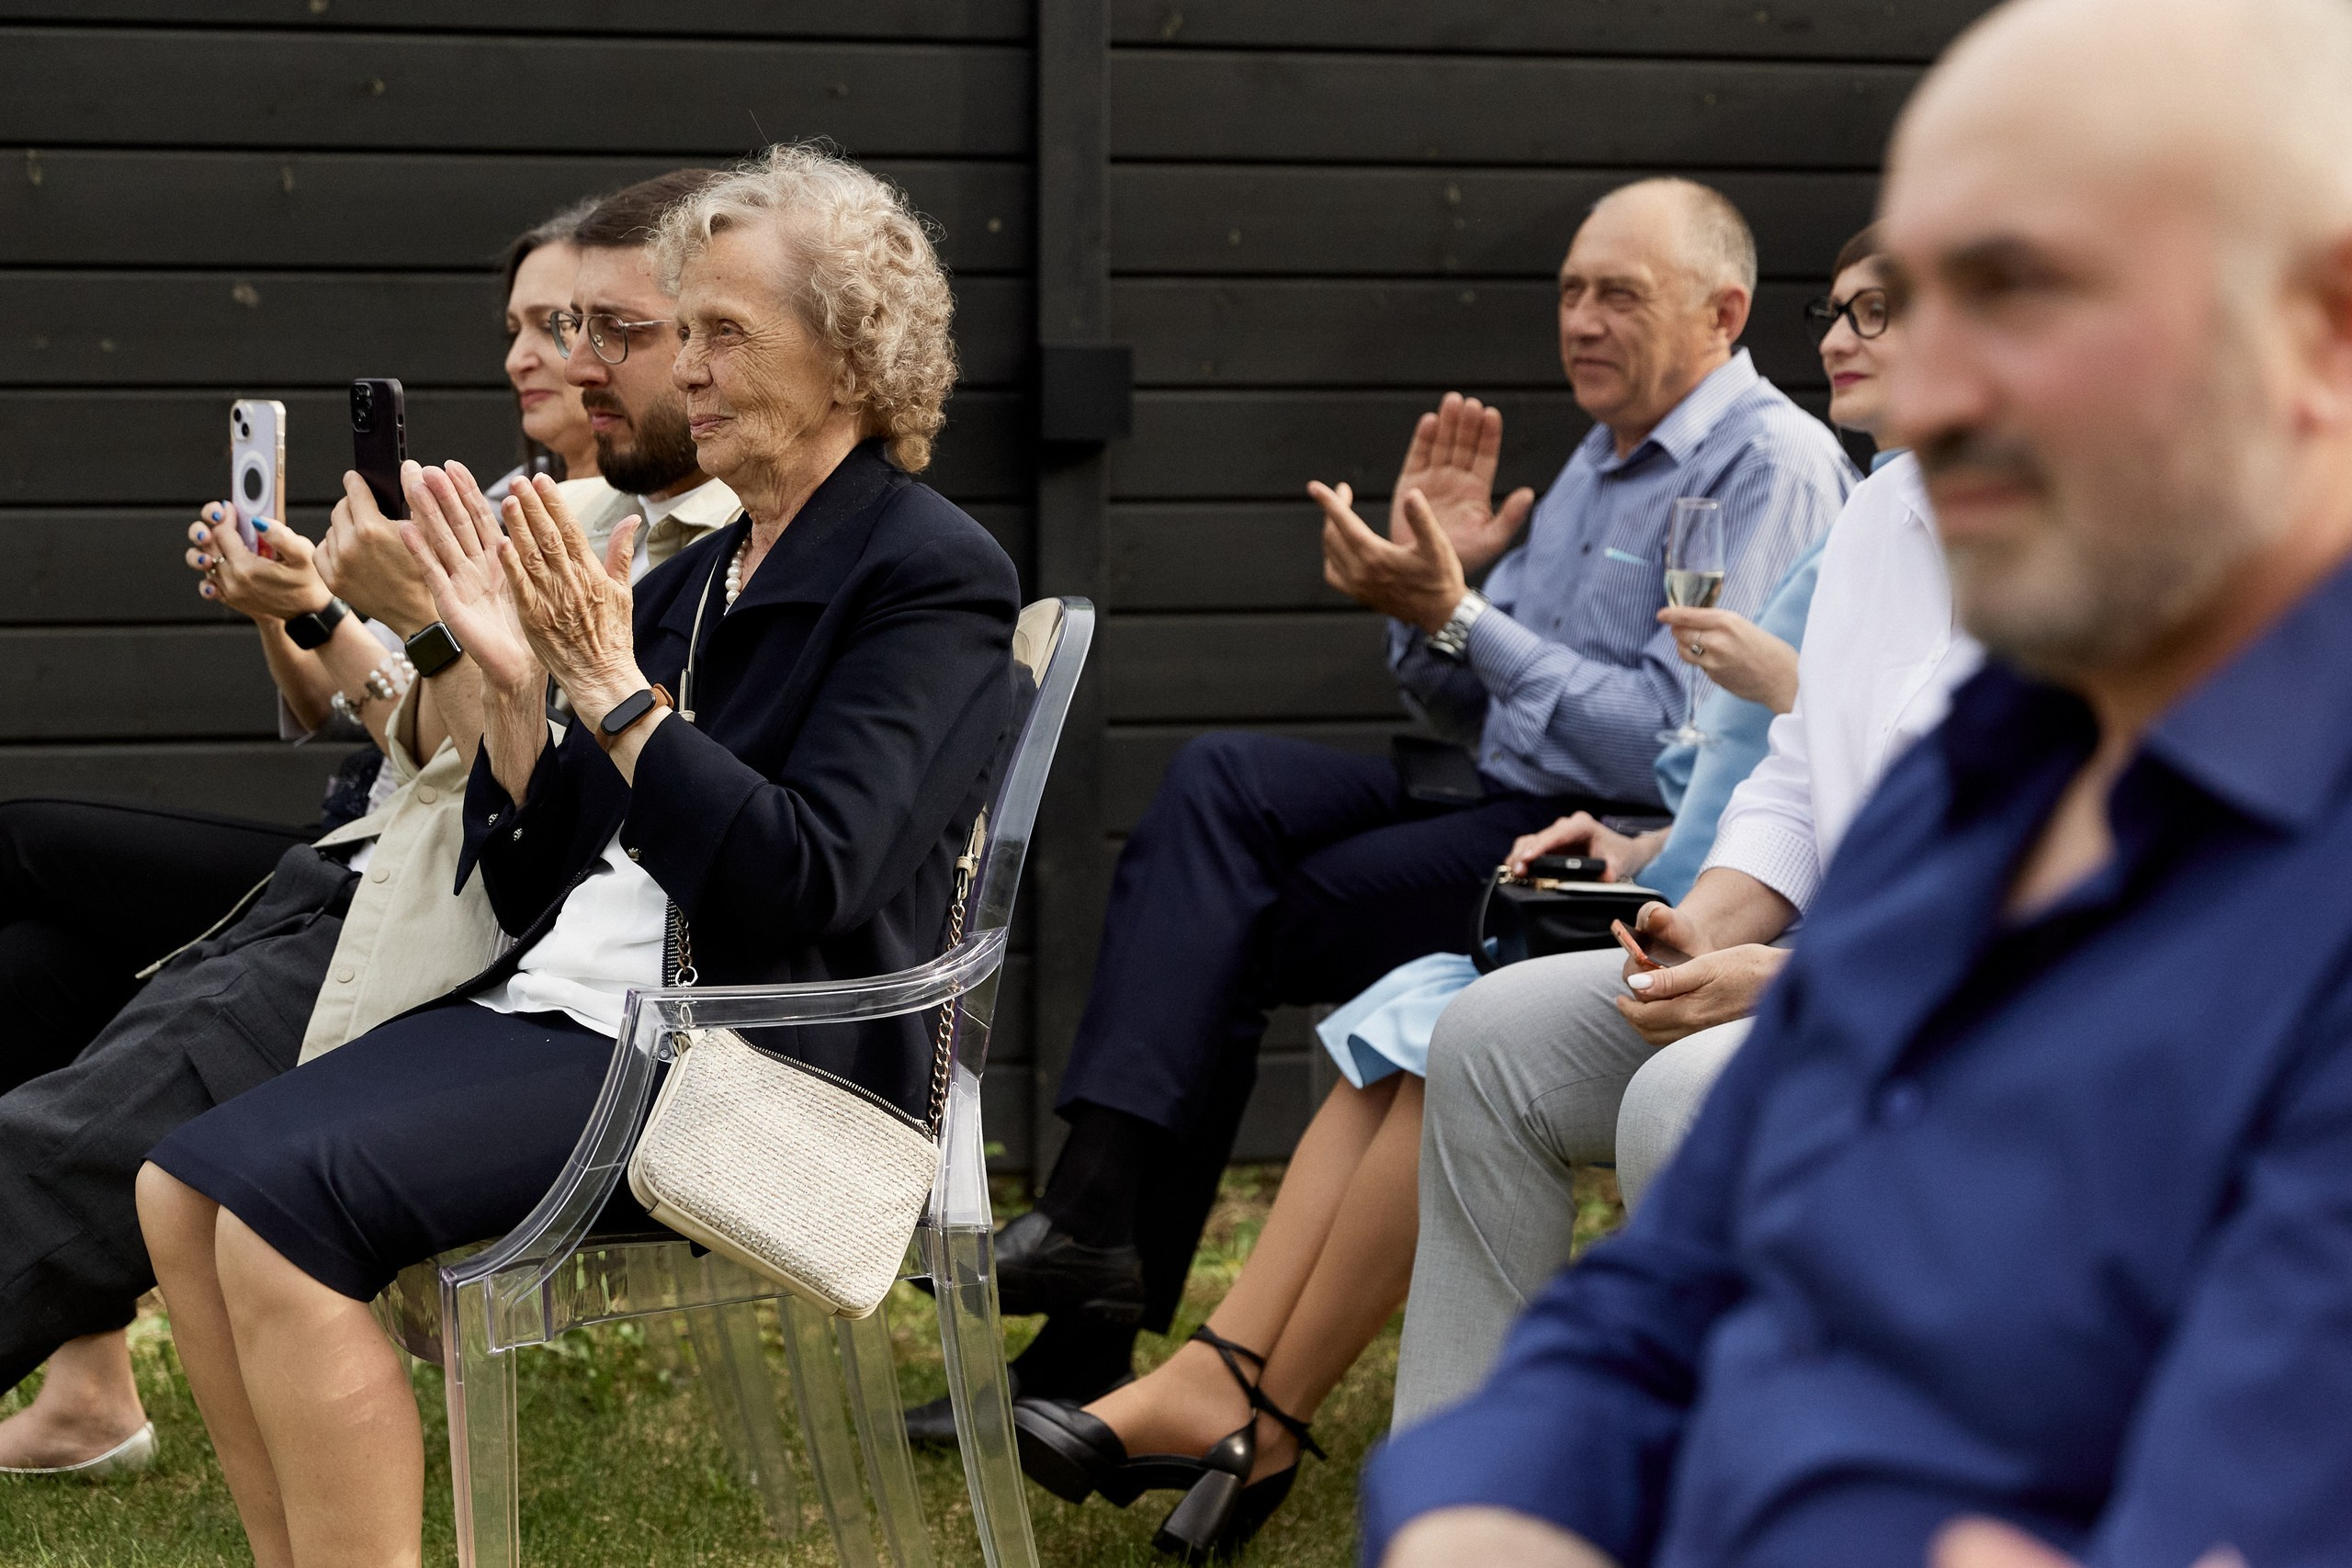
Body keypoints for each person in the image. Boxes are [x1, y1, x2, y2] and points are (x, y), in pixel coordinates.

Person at [1367, 0, 2352, 1563]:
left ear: (2317, 328)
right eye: (1921, 304)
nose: (1938, 391)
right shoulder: (2001, 761)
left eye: (2024, 296)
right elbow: (1664, 1294)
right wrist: (1475, 1507)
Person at [133, 141, 1017, 1568]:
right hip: (576, 1009)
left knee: (279, 1224)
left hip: (734, 1055)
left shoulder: (925, 571)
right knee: (179, 1188)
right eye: (693, 331)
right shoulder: (692, 573)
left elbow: (808, 877)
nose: (693, 368)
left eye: (727, 332)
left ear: (851, 358)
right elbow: (548, 872)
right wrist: (515, 696)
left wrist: (613, 693)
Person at [1004, 235, 1891, 1555]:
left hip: (1593, 831)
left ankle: (1226, 1384)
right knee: (1219, 793)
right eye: (1569, 291)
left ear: (1723, 312)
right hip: (1585, 819)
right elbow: (1523, 707)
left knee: (1318, 963)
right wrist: (1432, 605)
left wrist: (1475, 624)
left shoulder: (1780, 467)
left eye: (1617, 295)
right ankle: (1115, 1253)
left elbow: (1683, 728)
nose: (1578, 322)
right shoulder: (1608, 461)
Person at [0, 181, 739, 1478]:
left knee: (64, 1101)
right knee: (39, 991)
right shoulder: (580, 512)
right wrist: (341, 618)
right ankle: (87, 1385)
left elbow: (525, 807)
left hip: (448, 942)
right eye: (546, 327)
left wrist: (391, 621)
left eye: (603, 327)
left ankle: (85, 1382)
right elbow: (450, 759)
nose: (558, 359)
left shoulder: (734, 545)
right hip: (378, 880)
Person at [1391, 225, 1978, 1426]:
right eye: (1835, 309)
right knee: (1489, 1036)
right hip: (1813, 970)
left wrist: (1788, 976)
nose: (1830, 341)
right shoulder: (1880, 516)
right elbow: (1799, 776)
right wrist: (1703, 921)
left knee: (1683, 1099)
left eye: (1875, 314)